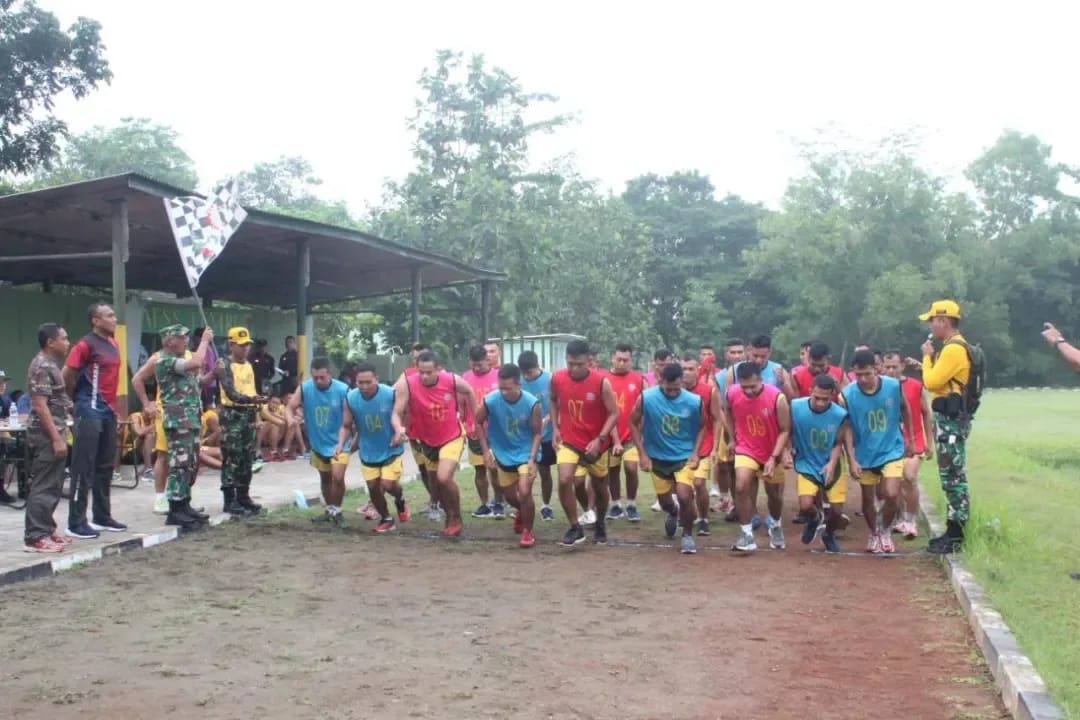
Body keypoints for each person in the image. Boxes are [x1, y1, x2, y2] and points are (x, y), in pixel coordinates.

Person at [391, 350, 477, 536]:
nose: (424, 376)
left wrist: (474, 420)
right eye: (421, 371)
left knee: (444, 477)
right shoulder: (409, 384)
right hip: (427, 440)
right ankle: (449, 515)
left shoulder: (450, 380)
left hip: (452, 436)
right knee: (435, 485)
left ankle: (456, 517)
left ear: (438, 369)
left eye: (429, 372)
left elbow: (469, 391)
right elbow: (396, 412)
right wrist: (399, 428)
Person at [841, 349, 914, 554]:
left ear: (876, 369)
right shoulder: (847, 395)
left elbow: (905, 409)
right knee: (867, 499)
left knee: (891, 494)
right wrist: (852, 458)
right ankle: (873, 532)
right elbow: (845, 427)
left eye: (867, 373)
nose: (863, 379)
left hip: (891, 448)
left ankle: (884, 531)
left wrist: (911, 439)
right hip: (865, 453)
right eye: (858, 375)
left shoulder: (892, 386)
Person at [63, 303, 126, 539]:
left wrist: (117, 411)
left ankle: (102, 516)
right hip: (88, 411)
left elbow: (114, 381)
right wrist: (73, 402)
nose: (114, 319)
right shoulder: (84, 345)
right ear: (95, 321)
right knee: (84, 467)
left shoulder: (113, 344)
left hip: (108, 412)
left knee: (105, 466)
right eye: (109, 316)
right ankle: (76, 521)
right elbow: (66, 375)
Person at [632, 363, 709, 554]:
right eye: (669, 389)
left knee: (685, 495)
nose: (673, 393)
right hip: (657, 457)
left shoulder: (694, 401)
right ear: (661, 381)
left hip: (683, 457)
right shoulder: (646, 398)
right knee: (666, 501)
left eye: (677, 389)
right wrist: (642, 452)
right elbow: (632, 422)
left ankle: (688, 535)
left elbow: (702, 426)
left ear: (682, 383)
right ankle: (673, 512)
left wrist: (695, 452)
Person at [918, 300, 975, 554]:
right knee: (950, 475)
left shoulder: (953, 349)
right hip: (951, 420)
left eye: (932, 320)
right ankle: (952, 532)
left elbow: (931, 382)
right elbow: (941, 380)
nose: (930, 325)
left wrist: (927, 357)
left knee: (953, 477)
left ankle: (955, 536)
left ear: (943, 320)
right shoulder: (954, 348)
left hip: (950, 422)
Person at [550, 339, 619, 546]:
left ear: (589, 361)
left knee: (599, 487)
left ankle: (600, 522)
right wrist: (554, 427)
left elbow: (614, 413)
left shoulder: (601, 382)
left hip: (595, 443)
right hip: (569, 440)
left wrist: (600, 439)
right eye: (571, 363)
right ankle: (574, 526)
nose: (574, 368)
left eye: (579, 364)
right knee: (564, 480)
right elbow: (552, 400)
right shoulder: (557, 378)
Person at [723, 361, 792, 553]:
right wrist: (731, 438)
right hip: (746, 447)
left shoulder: (777, 398)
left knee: (774, 495)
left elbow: (785, 430)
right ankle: (746, 534)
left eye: (753, 386)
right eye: (744, 387)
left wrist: (774, 456)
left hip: (772, 450)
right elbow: (727, 412)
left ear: (761, 380)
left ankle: (776, 525)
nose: (749, 391)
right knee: (741, 485)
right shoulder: (732, 393)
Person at [475, 363, 543, 548]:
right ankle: (523, 511)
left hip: (525, 452)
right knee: (510, 496)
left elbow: (537, 433)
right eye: (501, 388)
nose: (504, 392)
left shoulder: (531, 403)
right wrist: (485, 450)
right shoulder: (491, 400)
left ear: (518, 384)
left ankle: (528, 532)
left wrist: (532, 459)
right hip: (503, 453)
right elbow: (477, 422)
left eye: (508, 388)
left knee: (525, 490)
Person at [156, 324, 215, 530]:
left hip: (190, 420)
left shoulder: (182, 363)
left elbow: (200, 382)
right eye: (182, 337)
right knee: (178, 465)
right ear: (169, 341)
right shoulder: (166, 361)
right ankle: (175, 508)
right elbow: (197, 362)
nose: (186, 341)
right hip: (178, 421)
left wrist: (215, 372)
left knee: (190, 465)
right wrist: (205, 340)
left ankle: (184, 503)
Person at [338, 363, 408, 534]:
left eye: (368, 382)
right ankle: (386, 518)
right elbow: (346, 425)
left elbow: (404, 414)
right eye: (360, 382)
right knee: (373, 487)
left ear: (376, 379)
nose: (364, 386)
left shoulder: (390, 394)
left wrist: (400, 432)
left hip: (390, 448)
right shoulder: (350, 398)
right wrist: (341, 444)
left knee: (388, 484)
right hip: (368, 450)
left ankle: (400, 499)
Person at [23, 323, 74, 553]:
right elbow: (40, 406)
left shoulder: (51, 365)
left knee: (54, 484)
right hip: (45, 436)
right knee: (43, 484)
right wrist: (55, 438)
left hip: (58, 430)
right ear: (50, 342)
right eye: (63, 338)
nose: (67, 342)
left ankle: (46, 528)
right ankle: (35, 536)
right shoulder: (42, 366)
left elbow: (56, 400)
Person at [287, 356, 351, 527]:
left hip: (340, 442)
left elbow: (349, 418)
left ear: (330, 374)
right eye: (315, 377)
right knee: (325, 477)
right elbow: (290, 406)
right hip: (318, 443)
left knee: (338, 477)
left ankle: (338, 510)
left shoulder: (343, 390)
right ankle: (329, 509)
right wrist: (290, 419)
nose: (318, 381)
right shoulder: (305, 388)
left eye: (322, 377)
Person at [789, 373, 850, 553]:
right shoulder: (796, 407)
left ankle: (828, 533)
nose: (821, 403)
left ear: (832, 395)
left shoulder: (840, 414)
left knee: (837, 513)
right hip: (807, 462)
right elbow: (786, 430)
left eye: (826, 399)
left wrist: (831, 464)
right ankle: (815, 519)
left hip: (831, 465)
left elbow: (838, 443)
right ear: (810, 391)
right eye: (817, 398)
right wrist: (788, 448)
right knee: (806, 506)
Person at [216, 327, 268, 516]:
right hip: (232, 414)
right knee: (232, 458)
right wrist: (251, 400)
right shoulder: (224, 364)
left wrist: (258, 405)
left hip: (248, 413)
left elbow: (251, 389)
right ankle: (229, 500)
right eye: (241, 345)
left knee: (247, 457)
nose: (245, 348)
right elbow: (230, 392)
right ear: (231, 345)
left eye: (247, 345)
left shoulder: (248, 365)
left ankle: (243, 496)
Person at [883, 351, 934, 539]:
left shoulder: (915, 386)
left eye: (894, 367)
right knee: (893, 482)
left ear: (902, 366)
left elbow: (926, 413)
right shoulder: (880, 387)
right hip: (891, 440)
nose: (890, 371)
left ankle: (910, 520)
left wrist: (929, 442)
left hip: (915, 438)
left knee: (909, 476)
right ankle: (899, 518)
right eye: (887, 367)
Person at [681, 354, 722, 536]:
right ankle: (688, 515)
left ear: (698, 370)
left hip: (704, 443)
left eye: (690, 369)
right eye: (683, 369)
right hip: (680, 445)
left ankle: (704, 519)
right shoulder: (673, 391)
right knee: (683, 487)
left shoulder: (708, 391)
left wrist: (715, 447)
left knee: (698, 483)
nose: (686, 373)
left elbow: (717, 419)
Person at [604, 343, 644, 522]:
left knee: (631, 468)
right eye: (618, 359)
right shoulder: (603, 379)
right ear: (612, 358)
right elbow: (605, 411)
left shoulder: (638, 379)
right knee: (612, 471)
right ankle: (615, 504)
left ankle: (632, 504)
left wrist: (641, 433)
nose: (621, 363)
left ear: (631, 361)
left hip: (631, 437)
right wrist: (614, 439)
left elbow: (646, 407)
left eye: (625, 360)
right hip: (610, 436)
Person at [462, 345, 503, 518]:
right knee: (479, 469)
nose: (477, 368)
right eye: (474, 365)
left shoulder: (498, 376)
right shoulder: (465, 377)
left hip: (495, 431)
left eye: (480, 364)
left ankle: (499, 503)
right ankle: (485, 504)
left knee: (494, 469)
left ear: (488, 360)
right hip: (474, 431)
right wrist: (465, 424)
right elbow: (461, 403)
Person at [519, 350, 557, 522]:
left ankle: (546, 505)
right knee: (526, 472)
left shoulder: (550, 380)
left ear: (538, 367)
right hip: (528, 437)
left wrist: (547, 419)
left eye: (530, 372)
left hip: (548, 435)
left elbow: (558, 405)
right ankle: (523, 504)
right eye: (524, 373)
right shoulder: (518, 382)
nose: (527, 376)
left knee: (545, 471)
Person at [710, 338, 745, 517]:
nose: (737, 355)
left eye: (740, 352)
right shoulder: (719, 377)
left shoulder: (751, 373)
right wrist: (729, 429)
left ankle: (741, 503)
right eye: (733, 352)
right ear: (726, 355)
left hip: (748, 426)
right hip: (727, 425)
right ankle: (726, 499)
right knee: (725, 465)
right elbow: (720, 406)